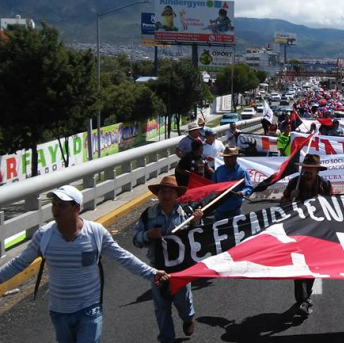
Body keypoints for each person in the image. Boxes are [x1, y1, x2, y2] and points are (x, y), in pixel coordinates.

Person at [0, 185, 170, 343]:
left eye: (62, 205)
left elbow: (123, 257)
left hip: (89, 309)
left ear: (76, 208)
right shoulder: (44, 235)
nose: (56, 210)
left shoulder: (95, 232)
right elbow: (18, 263)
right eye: (54, 205)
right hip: (59, 312)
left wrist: (151, 272)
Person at [133, 177, 204, 343]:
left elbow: (199, 239)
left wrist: (197, 222)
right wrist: (147, 235)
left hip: (181, 269)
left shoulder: (186, 213)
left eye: (170, 192)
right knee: (161, 307)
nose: (166, 195)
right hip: (158, 269)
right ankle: (166, 338)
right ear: (157, 194)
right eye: (162, 192)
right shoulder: (147, 216)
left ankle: (187, 318)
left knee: (183, 303)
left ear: (176, 195)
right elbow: (136, 240)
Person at [280, 154, 333, 317]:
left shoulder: (325, 184)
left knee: (312, 265)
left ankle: (305, 297)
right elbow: (282, 205)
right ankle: (304, 299)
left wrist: (322, 201)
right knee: (298, 266)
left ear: (317, 170)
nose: (307, 171)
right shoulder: (293, 182)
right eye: (305, 168)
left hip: (317, 232)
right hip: (297, 231)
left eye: (310, 169)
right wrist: (290, 197)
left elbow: (333, 207)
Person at [210, 147, 254, 221]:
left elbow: (249, 187)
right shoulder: (219, 170)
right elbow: (212, 185)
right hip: (219, 207)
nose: (226, 160)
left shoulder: (242, 172)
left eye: (229, 158)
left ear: (235, 158)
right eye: (225, 157)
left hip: (234, 209)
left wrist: (242, 192)